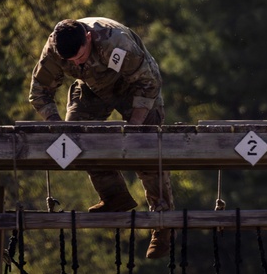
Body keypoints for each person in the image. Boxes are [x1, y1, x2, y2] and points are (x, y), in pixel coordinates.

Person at [29, 17, 174, 259]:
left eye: (80, 56)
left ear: (88, 38)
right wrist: (56, 126)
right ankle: (114, 196)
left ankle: (162, 224)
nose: (76, 62)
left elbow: (149, 82)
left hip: (134, 88)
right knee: (76, 141)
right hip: (91, 89)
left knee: (146, 152)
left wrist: (135, 126)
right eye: (71, 61)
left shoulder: (115, 41)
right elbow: (39, 92)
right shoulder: (54, 50)